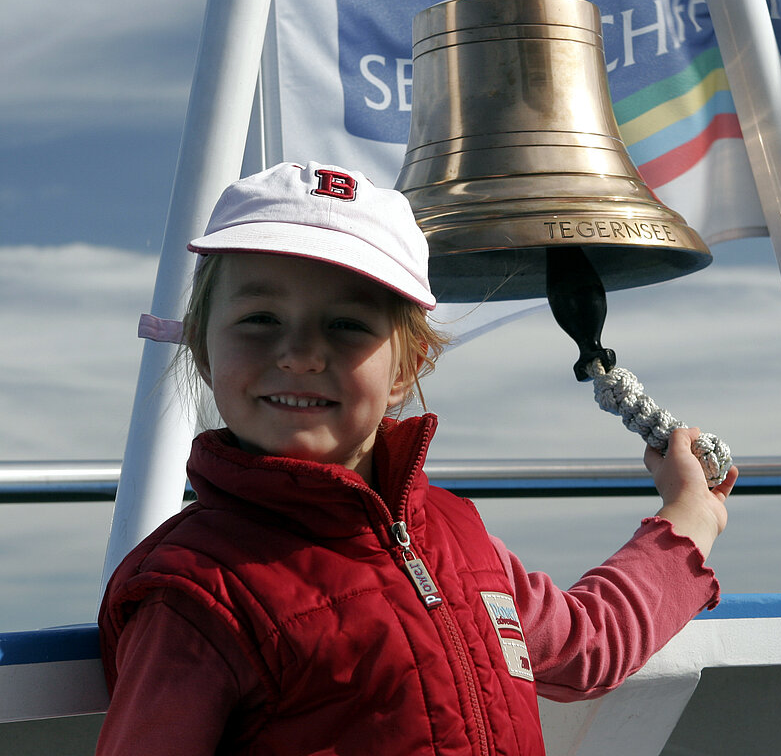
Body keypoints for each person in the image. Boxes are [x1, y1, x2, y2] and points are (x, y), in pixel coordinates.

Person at [97, 161, 737, 755]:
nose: (299, 355)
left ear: (407, 369)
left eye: (347, 325)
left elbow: (584, 643)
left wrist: (691, 514)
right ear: (204, 352)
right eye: (260, 318)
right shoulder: (194, 594)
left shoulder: (459, 538)